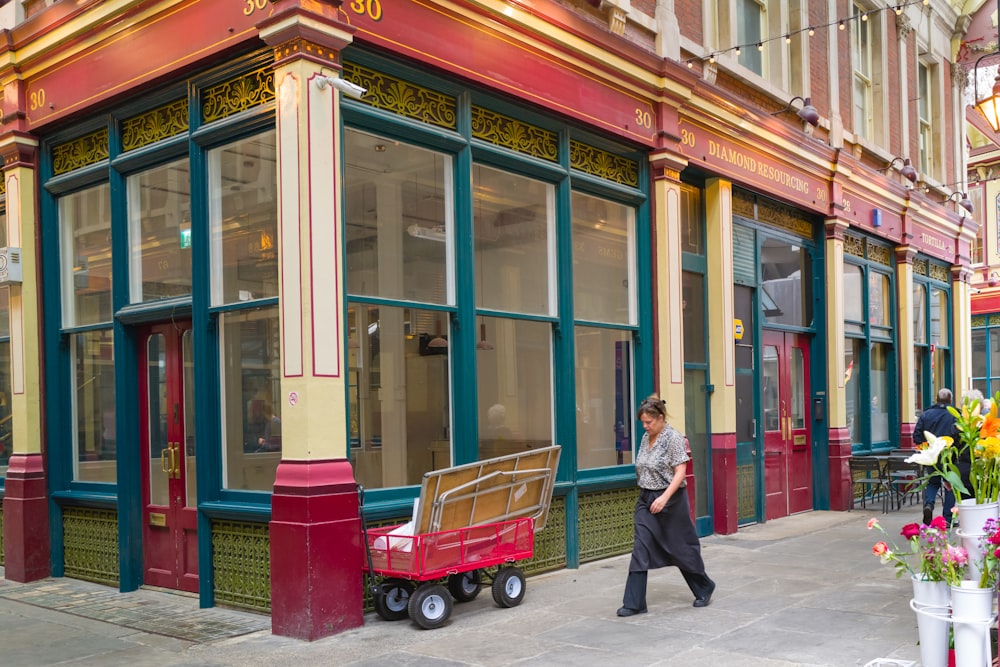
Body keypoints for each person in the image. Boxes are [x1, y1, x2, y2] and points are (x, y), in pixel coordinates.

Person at [617, 396, 715, 616]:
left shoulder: (673, 437)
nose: (645, 426)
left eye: (648, 422)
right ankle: (634, 603)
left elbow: (680, 471)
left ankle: (704, 586)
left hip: (671, 500)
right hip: (646, 499)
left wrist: (664, 498)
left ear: (660, 418)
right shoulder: (646, 437)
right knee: (640, 547)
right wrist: (651, 497)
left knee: (679, 548)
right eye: (643, 422)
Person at [914, 388, 957, 526]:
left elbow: (917, 436)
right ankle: (947, 518)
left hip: (932, 455)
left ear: (936, 399)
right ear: (950, 399)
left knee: (933, 483)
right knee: (950, 485)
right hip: (949, 456)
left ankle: (929, 505)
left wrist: (925, 448)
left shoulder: (926, 414)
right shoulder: (955, 414)